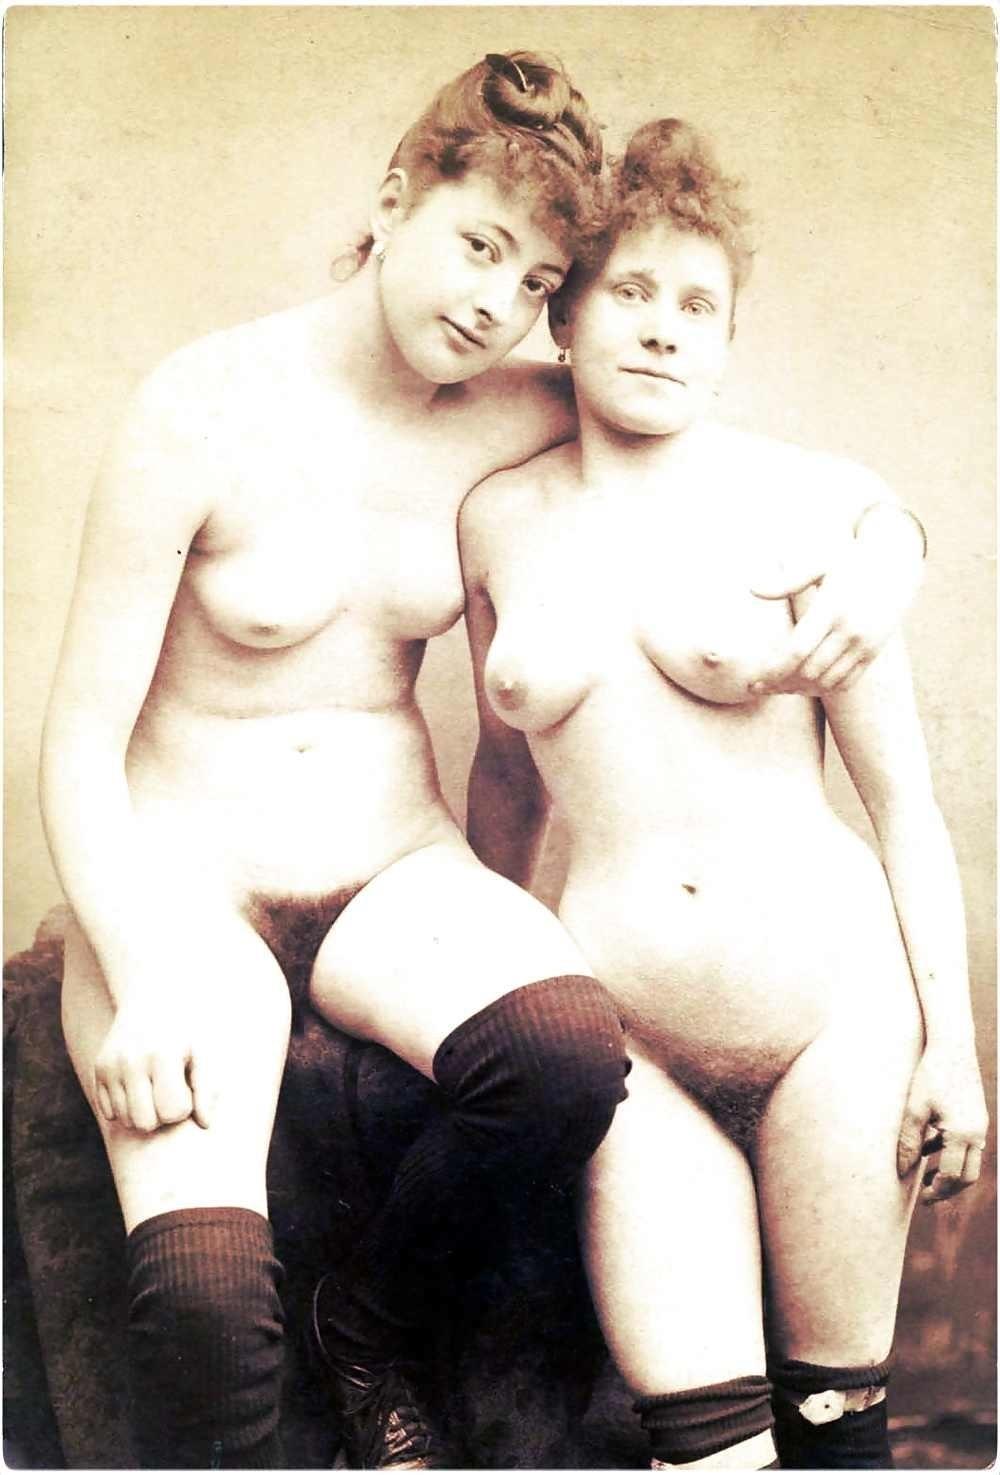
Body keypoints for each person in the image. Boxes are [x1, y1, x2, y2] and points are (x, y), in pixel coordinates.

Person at [40, 46, 923, 1468]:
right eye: (478, 246)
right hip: (193, 878)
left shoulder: (521, 405)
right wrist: (140, 967)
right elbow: (79, 742)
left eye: (533, 282)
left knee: (562, 1057)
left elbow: (779, 470)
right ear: (395, 200)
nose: (495, 302)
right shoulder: (195, 410)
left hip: (391, 868)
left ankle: (366, 1320)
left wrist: (893, 553)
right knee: (200, 1305)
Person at [460, 117, 987, 1470]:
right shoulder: (496, 518)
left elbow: (904, 809)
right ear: (564, 319)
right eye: (630, 291)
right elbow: (506, 783)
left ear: (730, 339)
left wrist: (953, 1050)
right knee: (707, 1451)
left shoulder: (819, 509)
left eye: (699, 305)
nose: (662, 328)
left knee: (834, 1430)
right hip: (628, 1047)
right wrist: (475, 1003)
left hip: (834, 1024)